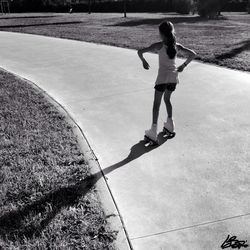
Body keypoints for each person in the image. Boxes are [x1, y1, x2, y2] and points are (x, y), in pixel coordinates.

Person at [137, 21, 196, 144]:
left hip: (162, 79)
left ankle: (153, 132)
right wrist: (183, 65)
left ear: (162, 33)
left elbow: (140, 51)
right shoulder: (177, 46)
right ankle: (170, 125)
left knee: (156, 105)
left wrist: (143, 61)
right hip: (173, 78)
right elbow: (193, 54)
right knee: (167, 100)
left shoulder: (159, 45)